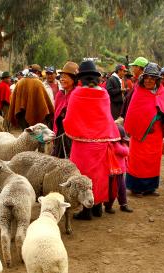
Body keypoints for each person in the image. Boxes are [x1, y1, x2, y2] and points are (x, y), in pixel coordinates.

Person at [63, 60, 121, 219]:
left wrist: (66, 126)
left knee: (82, 175)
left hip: (82, 144)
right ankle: (97, 207)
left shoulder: (77, 93)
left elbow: (70, 118)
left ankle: (86, 210)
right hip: (101, 143)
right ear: (96, 78)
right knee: (100, 176)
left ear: (80, 78)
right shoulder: (104, 94)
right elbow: (107, 117)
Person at [123, 63, 164, 197]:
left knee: (153, 160)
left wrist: (161, 121)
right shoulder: (138, 91)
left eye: (152, 77)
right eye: (147, 77)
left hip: (155, 133)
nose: (149, 80)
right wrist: (144, 125)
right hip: (141, 133)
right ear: (143, 78)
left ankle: (151, 187)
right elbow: (133, 113)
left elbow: (163, 109)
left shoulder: (161, 91)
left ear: (157, 79)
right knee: (138, 161)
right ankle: (136, 188)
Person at [52, 61, 78, 158]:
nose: (62, 79)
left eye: (66, 77)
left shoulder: (76, 94)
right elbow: (55, 116)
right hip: (59, 134)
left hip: (71, 137)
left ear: (74, 79)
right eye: (61, 77)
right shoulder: (59, 95)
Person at [105, 125, 133, 213]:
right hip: (115, 172)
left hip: (119, 172)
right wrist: (125, 145)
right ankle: (108, 206)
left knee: (122, 188)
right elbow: (126, 151)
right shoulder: (114, 144)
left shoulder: (117, 143)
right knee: (113, 190)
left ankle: (123, 204)